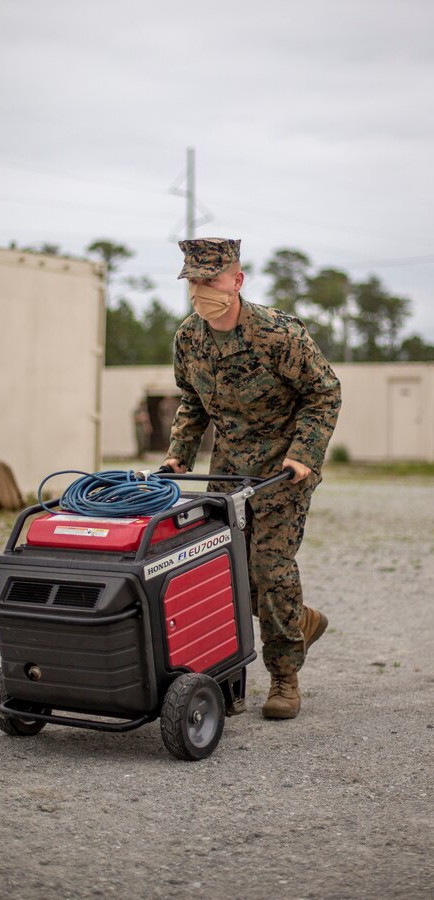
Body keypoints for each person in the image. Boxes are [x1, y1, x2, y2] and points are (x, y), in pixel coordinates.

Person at [164, 237, 341, 719]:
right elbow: (193, 401)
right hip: (229, 473)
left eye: (212, 280)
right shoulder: (189, 338)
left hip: (284, 471)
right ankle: (234, 675)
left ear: (237, 281)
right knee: (227, 576)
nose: (202, 290)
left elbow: (324, 394)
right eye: (194, 282)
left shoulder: (279, 334)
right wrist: (179, 455)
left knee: (268, 567)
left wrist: (303, 453)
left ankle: (284, 678)